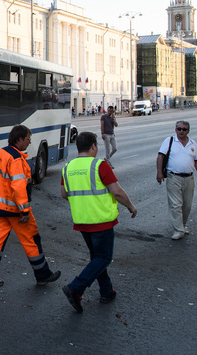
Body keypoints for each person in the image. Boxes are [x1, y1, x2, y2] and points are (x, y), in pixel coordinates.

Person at [60, 131, 137, 313]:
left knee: (97, 258)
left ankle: (106, 291)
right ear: (93, 146)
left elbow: (64, 194)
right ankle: (76, 287)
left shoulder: (68, 167)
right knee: (103, 258)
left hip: (82, 221)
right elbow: (117, 192)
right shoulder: (99, 165)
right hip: (101, 220)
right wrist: (131, 206)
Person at [0, 125, 60, 287]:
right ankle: (43, 274)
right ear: (20, 139)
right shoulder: (16, 159)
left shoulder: (2, 153)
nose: (30, 142)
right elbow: (18, 187)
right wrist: (24, 211)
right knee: (32, 240)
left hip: (0, 208)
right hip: (15, 210)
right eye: (28, 139)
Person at [155, 120, 197, 240]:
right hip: (173, 177)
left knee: (186, 206)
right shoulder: (170, 141)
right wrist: (159, 172)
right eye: (179, 129)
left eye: (184, 129)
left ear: (188, 131)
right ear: (175, 129)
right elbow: (160, 156)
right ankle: (178, 230)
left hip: (189, 178)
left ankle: (182, 225)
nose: (181, 131)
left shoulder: (193, 144)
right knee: (176, 204)